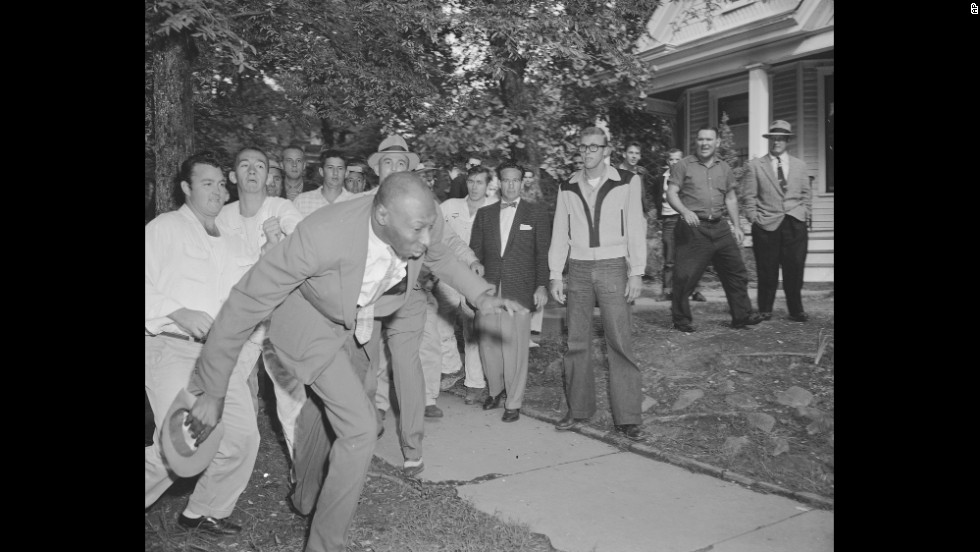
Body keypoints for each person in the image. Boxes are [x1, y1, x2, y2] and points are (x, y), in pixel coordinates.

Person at [186, 172, 526, 552]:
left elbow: (440, 254)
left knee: (327, 411)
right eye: (417, 230)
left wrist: (481, 295)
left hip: (360, 320)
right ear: (381, 217)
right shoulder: (321, 237)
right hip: (310, 322)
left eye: (430, 227)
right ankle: (323, 544)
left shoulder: (422, 218)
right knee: (361, 426)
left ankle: (304, 495)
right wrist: (212, 391)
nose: (426, 239)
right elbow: (244, 304)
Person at [144, 151, 259, 535]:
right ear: (186, 188)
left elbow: (253, 291)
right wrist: (178, 311)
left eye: (220, 184)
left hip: (218, 357)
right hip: (172, 347)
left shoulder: (234, 241)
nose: (217, 190)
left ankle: (204, 511)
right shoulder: (164, 229)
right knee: (178, 446)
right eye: (206, 183)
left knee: (242, 438)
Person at [548, 127, 647, 442]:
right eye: (584, 147)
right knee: (576, 342)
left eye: (595, 147)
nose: (589, 152)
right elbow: (559, 233)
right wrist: (554, 273)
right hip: (577, 268)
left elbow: (635, 226)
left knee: (619, 341)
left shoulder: (627, 182)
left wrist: (637, 271)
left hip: (613, 266)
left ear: (607, 149)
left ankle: (628, 417)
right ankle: (578, 409)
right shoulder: (567, 187)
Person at [216, 146, 305, 459]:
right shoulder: (222, 216)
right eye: (244, 165)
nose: (252, 171)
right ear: (232, 175)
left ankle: (302, 470)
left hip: (279, 316)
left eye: (259, 166)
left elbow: (302, 252)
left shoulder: (281, 208)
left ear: (269, 176)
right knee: (231, 388)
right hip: (240, 317)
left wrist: (276, 245)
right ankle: (232, 460)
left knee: (290, 397)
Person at [470, 161, 551, 422]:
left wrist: (542, 285)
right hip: (490, 290)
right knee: (489, 344)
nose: (511, 185)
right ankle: (495, 390)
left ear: (522, 182)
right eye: (506, 180)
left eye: (516, 180)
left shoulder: (536, 214)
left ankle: (513, 402)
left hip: (521, 289)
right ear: (499, 182)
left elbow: (542, 255)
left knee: (515, 348)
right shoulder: (485, 214)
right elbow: (475, 254)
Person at [665, 127, 765, 333]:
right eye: (701, 139)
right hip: (693, 227)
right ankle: (681, 319)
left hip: (720, 227)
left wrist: (737, 226)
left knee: (736, 271)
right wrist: (684, 211)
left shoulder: (725, 168)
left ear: (717, 142)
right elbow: (671, 193)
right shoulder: (683, 165)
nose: (704, 143)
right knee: (685, 276)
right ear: (696, 141)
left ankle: (741, 315)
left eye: (709, 139)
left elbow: (730, 198)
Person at [437, 165, 497, 404]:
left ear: (488, 185)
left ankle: (475, 383)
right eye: (471, 181)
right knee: (441, 323)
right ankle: (452, 367)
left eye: (479, 182)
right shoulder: (450, 206)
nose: (474, 186)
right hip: (449, 273)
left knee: (472, 329)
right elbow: (433, 233)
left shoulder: (494, 209)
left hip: (476, 277)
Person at [741, 120, 812, 323]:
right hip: (766, 224)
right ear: (769, 140)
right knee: (767, 268)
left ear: (787, 140)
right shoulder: (756, 165)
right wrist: (753, 217)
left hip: (795, 223)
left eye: (781, 138)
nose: (777, 142)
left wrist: (805, 213)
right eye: (774, 138)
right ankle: (765, 309)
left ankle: (796, 310)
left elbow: (807, 194)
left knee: (795, 268)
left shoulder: (800, 165)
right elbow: (748, 197)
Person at [658, 149, 706, 303]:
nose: (674, 162)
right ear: (667, 161)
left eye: (677, 159)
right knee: (669, 256)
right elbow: (656, 197)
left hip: (685, 218)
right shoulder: (661, 179)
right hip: (669, 220)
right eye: (671, 159)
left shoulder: (688, 176)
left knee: (691, 256)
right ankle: (667, 290)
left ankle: (695, 290)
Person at [293, 149, 355, 217]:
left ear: (346, 173)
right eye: (330, 167)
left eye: (340, 168)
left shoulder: (355, 202)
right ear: (321, 171)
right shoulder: (302, 201)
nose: (335, 173)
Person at [617, 142, 650, 213]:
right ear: (624, 154)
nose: (634, 156)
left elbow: (646, 194)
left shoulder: (642, 173)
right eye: (631, 153)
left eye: (637, 153)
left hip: (637, 214)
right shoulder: (615, 172)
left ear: (640, 156)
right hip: (618, 214)